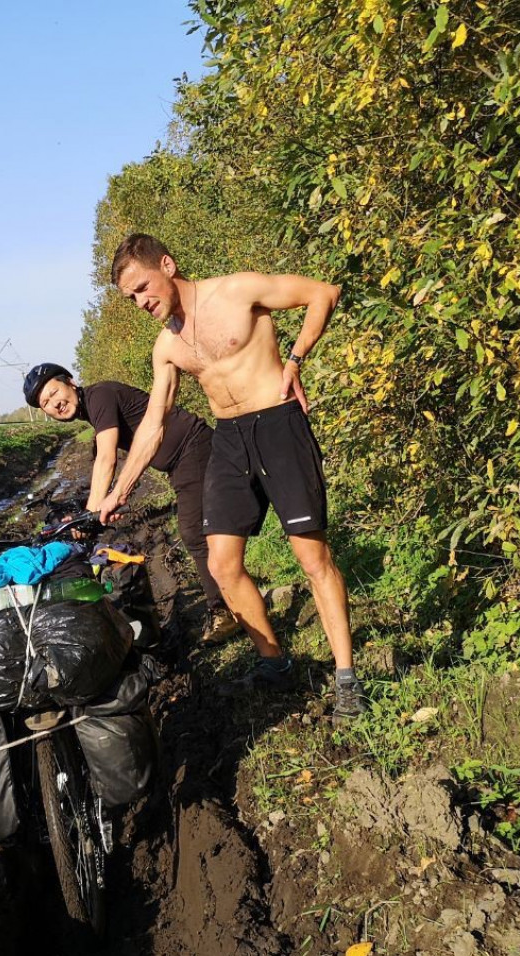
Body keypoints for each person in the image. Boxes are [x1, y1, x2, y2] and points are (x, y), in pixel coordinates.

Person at [96, 233, 367, 723]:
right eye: (130, 297)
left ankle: (347, 680)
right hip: (229, 438)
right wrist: (120, 489)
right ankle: (274, 663)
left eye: (141, 287)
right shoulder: (167, 347)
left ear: (167, 263)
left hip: (279, 423)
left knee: (312, 557)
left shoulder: (238, 290)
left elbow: (323, 292)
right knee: (222, 564)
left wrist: (297, 359)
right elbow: (154, 424)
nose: (140, 301)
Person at [23, 363, 241, 645]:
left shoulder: (99, 395)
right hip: (181, 461)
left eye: (54, 392)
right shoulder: (92, 409)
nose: (55, 403)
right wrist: (89, 511)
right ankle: (234, 596)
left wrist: (91, 515)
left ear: (70, 381)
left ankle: (225, 611)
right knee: (202, 531)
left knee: (193, 533)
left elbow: (107, 459)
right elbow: (99, 467)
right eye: (46, 404)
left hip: (193, 447)